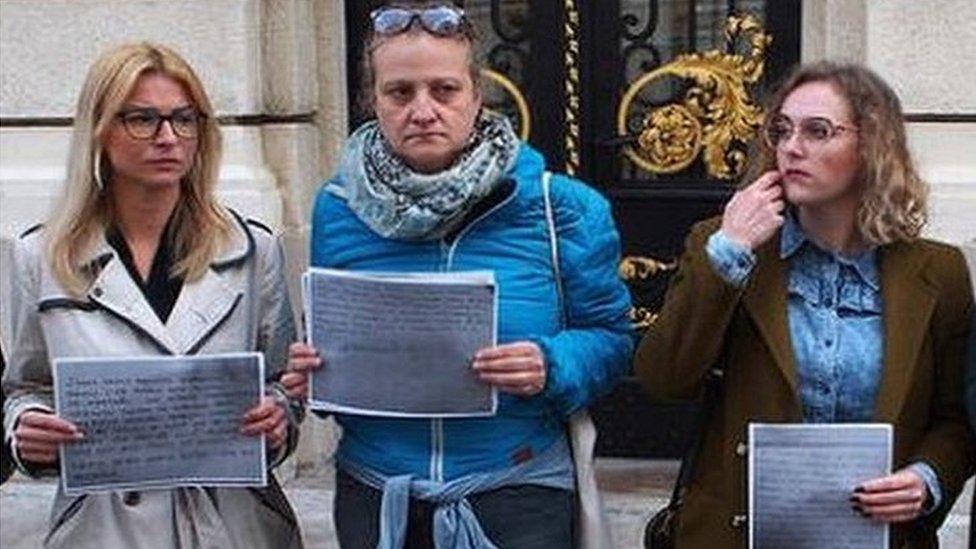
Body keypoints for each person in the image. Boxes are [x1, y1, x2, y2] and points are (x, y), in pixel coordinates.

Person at [283, 2, 634, 547]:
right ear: (371, 101)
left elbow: (612, 342)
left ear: (476, 95)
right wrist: (317, 370)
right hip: (376, 494)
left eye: (444, 90)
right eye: (400, 92)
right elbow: (332, 344)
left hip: (518, 490)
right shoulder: (338, 207)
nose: (423, 110)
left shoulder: (558, 206)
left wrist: (552, 361)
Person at [633, 62, 975, 547]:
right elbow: (665, 378)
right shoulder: (725, 245)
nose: (791, 148)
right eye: (782, 130)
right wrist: (729, 255)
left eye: (818, 131)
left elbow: (955, 418)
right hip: (739, 532)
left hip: (874, 535)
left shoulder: (937, 273)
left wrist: (927, 478)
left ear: (873, 145)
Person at [1, 42, 303, 548]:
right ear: (99, 131)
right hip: (103, 528)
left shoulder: (252, 250)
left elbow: (281, 384)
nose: (168, 137)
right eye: (142, 119)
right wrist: (28, 429)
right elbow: (25, 388)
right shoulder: (42, 256)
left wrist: (278, 418)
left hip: (231, 526)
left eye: (184, 119)